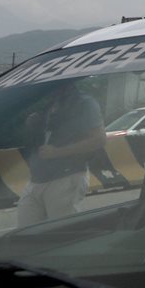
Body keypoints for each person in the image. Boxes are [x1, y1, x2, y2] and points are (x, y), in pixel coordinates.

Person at [17, 81, 106, 227]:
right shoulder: (50, 104)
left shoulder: (84, 103)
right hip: (37, 177)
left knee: (61, 233)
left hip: (66, 175)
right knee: (24, 233)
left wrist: (58, 152)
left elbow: (99, 139)